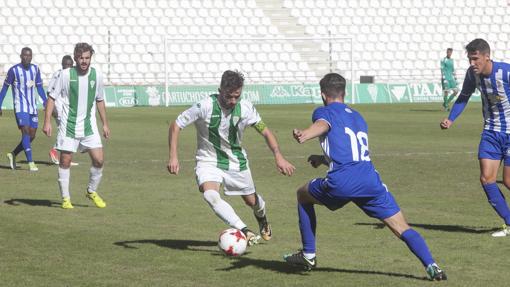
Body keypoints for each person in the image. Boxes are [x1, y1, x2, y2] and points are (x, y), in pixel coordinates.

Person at [285, 73, 446, 281]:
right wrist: (323, 159)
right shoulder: (358, 117)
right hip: (369, 180)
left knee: (302, 194)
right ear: (344, 93)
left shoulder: (322, 112)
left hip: (342, 181)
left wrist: (305, 134)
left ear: (323, 95)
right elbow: (351, 154)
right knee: (401, 226)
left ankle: (308, 255)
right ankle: (433, 266)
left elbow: (324, 124)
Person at [167, 70, 295, 245]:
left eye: (237, 96)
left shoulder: (246, 108)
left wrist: (278, 156)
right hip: (208, 159)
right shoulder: (204, 106)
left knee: (251, 201)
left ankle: (262, 217)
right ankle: (244, 230)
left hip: (236, 161)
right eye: (229, 96)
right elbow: (176, 125)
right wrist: (173, 156)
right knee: (210, 194)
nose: (233, 101)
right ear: (220, 90)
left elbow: (265, 131)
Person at [440, 38, 510, 237]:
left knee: (507, 181)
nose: (472, 63)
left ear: (487, 57)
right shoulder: (473, 75)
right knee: (487, 179)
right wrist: (451, 119)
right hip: (490, 133)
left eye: (475, 59)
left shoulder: (505, 72)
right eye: (470, 59)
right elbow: (463, 96)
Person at [43, 42, 110, 209]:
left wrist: (105, 124)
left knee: (99, 160)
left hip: (89, 125)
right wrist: (46, 122)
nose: (84, 61)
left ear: (91, 58)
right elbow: (51, 98)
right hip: (69, 125)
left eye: (87, 58)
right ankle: (66, 199)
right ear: (75, 58)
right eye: (81, 58)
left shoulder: (97, 75)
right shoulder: (65, 75)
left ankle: (91, 191)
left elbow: (100, 100)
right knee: (65, 161)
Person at [0, 47, 47, 171]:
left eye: (29, 55)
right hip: (20, 107)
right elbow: (5, 89)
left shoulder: (35, 69)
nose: (27, 57)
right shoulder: (14, 71)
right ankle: (31, 163)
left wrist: (46, 102)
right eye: (25, 55)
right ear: (21, 56)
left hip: (32, 107)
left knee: (32, 135)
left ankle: (13, 154)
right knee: (25, 131)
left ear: (31, 57)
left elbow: (40, 87)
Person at [47, 55, 78, 166]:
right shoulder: (58, 74)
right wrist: (53, 109)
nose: (67, 67)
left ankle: (66, 158)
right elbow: (49, 92)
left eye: (70, 65)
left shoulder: (72, 75)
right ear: (62, 64)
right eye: (65, 65)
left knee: (69, 132)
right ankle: (54, 151)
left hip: (69, 108)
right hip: (59, 109)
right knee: (64, 132)